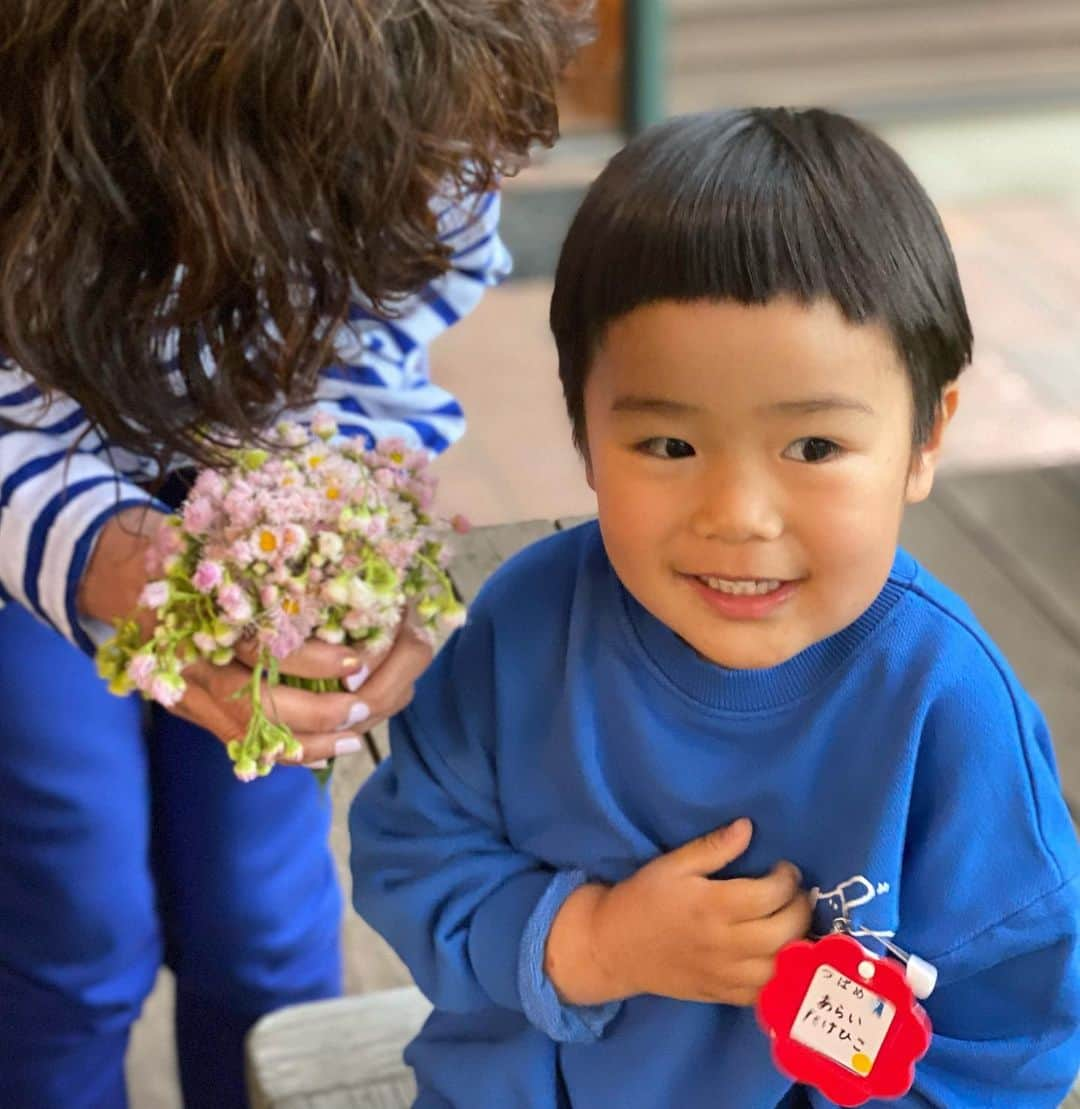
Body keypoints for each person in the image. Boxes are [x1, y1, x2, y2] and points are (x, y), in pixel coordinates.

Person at [348, 108, 1080, 1107]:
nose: (736, 516)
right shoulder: (526, 632)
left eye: (814, 448)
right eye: (669, 446)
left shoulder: (945, 704)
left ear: (926, 433)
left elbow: (1009, 1029)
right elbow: (413, 848)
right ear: (584, 426)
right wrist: (593, 940)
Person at [0, 2, 588, 1106]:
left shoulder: (423, 88)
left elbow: (390, 322)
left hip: (258, 499)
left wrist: (340, 516)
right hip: (13, 520)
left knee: (262, 920)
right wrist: (98, 548)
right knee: (68, 927)